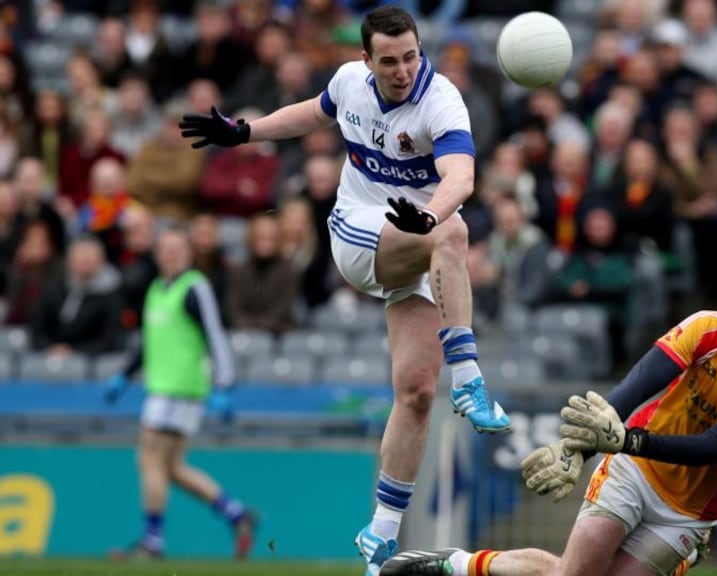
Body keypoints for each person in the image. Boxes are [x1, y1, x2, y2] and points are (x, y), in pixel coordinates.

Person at [177, 7, 511, 573]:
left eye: (410, 56)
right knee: (453, 233)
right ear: (366, 60)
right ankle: (472, 380)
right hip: (357, 233)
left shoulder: (441, 99)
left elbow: (462, 177)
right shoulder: (349, 82)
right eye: (389, 60)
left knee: (414, 391)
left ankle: (379, 535)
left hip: (417, 234)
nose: (403, 69)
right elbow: (311, 114)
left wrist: (427, 217)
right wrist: (246, 131)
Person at [382, 251, 717, 576]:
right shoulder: (708, 327)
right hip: (633, 472)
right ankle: (457, 564)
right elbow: (637, 384)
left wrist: (624, 438)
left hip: (688, 513)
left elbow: (714, 447)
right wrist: (582, 446)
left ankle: (457, 565)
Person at [104, 228, 256, 560]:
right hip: (162, 387)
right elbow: (150, 342)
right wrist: (125, 376)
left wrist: (225, 384)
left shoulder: (194, 288)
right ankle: (237, 515)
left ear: (188, 252)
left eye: (176, 248)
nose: (169, 254)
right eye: (164, 248)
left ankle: (152, 542)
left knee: (148, 460)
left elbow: (216, 335)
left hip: (179, 388)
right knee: (170, 467)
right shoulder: (158, 289)